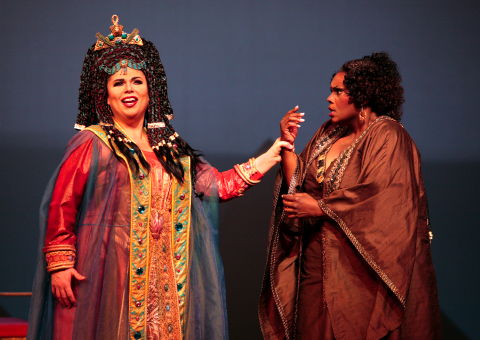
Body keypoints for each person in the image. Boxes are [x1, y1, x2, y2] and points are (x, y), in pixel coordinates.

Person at [27, 15, 292, 340]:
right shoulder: (95, 142)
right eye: (118, 82)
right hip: (112, 273)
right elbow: (63, 203)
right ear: (105, 95)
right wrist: (60, 265)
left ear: (150, 90)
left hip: (166, 278)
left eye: (137, 81)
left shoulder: (170, 146)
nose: (129, 89)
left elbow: (215, 186)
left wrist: (273, 153)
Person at [258, 52, 441, 339]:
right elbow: (300, 184)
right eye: (331, 90)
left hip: (356, 271)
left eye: (338, 91)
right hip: (315, 264)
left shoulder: (388, 135)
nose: (329, 98)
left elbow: (383, 198)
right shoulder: (329, 133)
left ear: (363, 95)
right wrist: (288, 147)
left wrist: (321, 208)